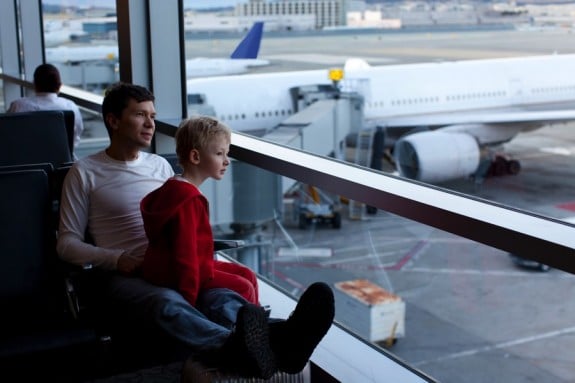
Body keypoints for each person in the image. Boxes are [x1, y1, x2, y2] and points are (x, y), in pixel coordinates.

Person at [57, 82, 334, 379]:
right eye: (140, 115)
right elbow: (66, 243)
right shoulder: (85, 171)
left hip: (168, 263)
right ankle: (249, 346)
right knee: (167, 303)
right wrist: (117, 258)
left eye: (153, 115)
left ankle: (277, 339)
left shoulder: (159, 167)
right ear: (113, 120)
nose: (151, 123)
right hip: (124, 273)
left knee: (222, 298)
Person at [141, 116, 259, 306]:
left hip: (162, 267)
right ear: (195, 157)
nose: (226, 161)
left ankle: (261, 324)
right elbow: (185, 255)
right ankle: (252, 331)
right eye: (220, 154)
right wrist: (189, 301)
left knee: (247, 275)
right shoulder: (189, 201)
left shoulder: (172, 187)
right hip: (174, 273)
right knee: (244, 286)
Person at [7, 63, 84, 150]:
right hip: (63, 160)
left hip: (26, 160)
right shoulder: (70, 107)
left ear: (34, 83)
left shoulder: (18, 106)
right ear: (59, 86)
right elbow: (75, 138)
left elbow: (8, 134)